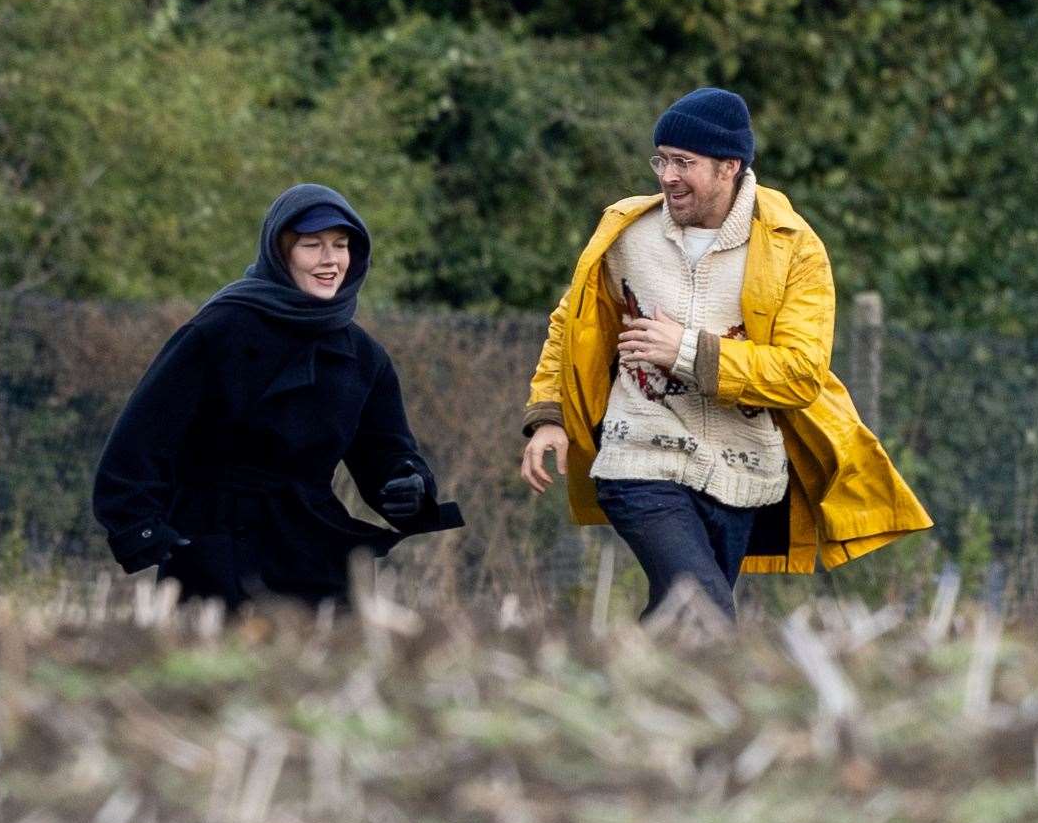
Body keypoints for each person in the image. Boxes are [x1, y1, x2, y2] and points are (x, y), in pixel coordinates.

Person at [519, 87, 932, 619]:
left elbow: (802, 374)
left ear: (728, 167)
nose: (666, 175)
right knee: (704, 610)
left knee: (686, 619)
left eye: (683, 162)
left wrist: (688, 351)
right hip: (640, 454)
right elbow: (569, 324)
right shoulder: (625, 234)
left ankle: (621, 693)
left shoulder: (794, 248)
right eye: (661, 159)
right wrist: (549, 416)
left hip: (743, 474)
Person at [93, 184, 462, 609]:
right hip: (215, 548)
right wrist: (140, 528)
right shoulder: (218, 331)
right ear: (280, 251)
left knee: (328, 672)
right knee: (215, 672)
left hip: (315, 551)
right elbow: (142, 437)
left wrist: (410, 486)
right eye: (312, 245)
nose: (330, 260)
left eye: (341, 245)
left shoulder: (363, 357)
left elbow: (386, 455)